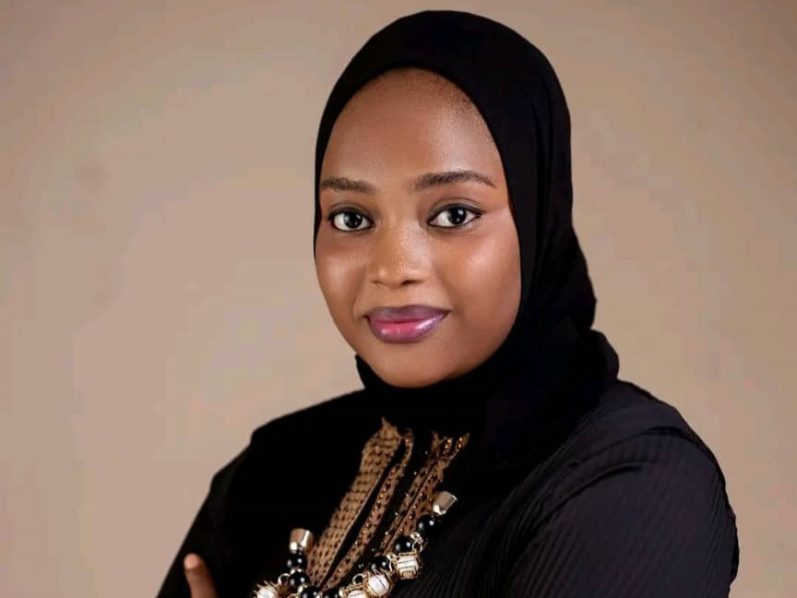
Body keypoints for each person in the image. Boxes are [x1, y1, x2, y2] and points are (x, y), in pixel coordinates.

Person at [157, 10, 739, 598]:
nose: (392, 268)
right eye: (351, 218)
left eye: (454, 214)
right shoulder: (276, 470)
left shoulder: (631, 480)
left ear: (537, 220)